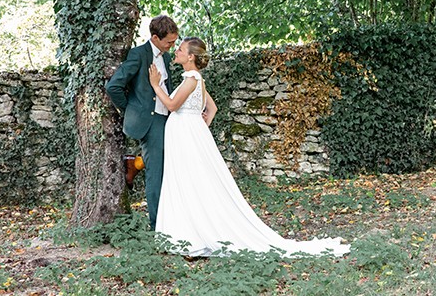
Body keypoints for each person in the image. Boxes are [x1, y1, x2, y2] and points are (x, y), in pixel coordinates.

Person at [149, 37, 350, 258]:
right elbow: (212, 109)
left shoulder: (191, 79)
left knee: (187, 181)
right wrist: (198, 127)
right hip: (188, 134)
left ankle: (191, 237)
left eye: (180, 49)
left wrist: (156, 85)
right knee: (190, 181)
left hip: (186, 136)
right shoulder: (196, 79)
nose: (176, 51)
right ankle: (189, 234)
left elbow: (171, 105)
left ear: (191, 56)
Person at [105, 14, 179, 231]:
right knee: (155, 173)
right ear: (155, 38)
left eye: (175, 42)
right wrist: (131, 110)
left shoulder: (165, 58)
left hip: (169, 119)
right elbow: (114, 87)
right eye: (169, 42)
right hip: (151, 122)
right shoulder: (138, 55)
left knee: (169, 169)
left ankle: (135, 164)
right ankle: (158, 227)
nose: (172, 46)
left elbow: (167, 88)